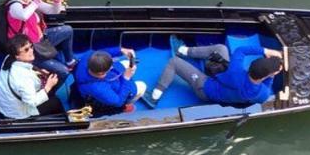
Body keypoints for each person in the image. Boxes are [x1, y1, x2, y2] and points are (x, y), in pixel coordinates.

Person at [144, 38, 284, 108]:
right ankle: (184, 51)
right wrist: (271, 75)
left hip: (205, 88)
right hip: (224, 86)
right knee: (221, 48)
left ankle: (154, 97)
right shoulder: (262, 94)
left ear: (251, 66)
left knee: (173, 62)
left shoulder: (235, 70)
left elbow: (241, 50)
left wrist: (265, 51)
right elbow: (266, 86)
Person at [1, 0, 76, 79]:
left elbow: (53, 11)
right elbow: (23, 15)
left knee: (67, 30)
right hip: (29, 49)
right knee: (63, 71)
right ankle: (49, 93)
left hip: (41, 40)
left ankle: (70, 61)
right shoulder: (14, 5)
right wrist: (37, 1)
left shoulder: (32, 2)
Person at [0, 34, 65, 119]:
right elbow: (32, 101)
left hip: (0, 99)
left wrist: (35, 72)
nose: (31, 50)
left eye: (31, 46)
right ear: (17, 56)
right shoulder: (24, 79)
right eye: (26, 50)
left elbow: (24, 69)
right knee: (56, 102)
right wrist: (48, 87)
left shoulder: (9, 58)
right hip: (14, 112)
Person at [73, 48, 147, 114]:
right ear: (101, 74)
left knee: (126, 62)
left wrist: (121, 50)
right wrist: (126, 78)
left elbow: (101, 53)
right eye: (110, 67)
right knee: (142, 86)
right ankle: (126, 105)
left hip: (91, 84)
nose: (112, 67)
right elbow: (118, 102)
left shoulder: (87, 58)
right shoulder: (98, 89)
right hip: (105, 97)